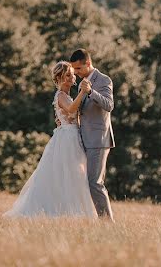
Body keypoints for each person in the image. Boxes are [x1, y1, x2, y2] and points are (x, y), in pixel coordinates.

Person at [3, 61, 97, 218]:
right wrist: (83, 92)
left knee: (76, 173)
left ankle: (74, 211)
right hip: (67, 139)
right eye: (68, 75)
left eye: (73, 74)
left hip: (73, 136)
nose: (72, 77)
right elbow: (71, 109)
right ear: (60, 77)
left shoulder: (67, 95)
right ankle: (65, 212)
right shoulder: (61, 95)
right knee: (68, 174)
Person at [69, 48, 115, 221]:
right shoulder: (83, 82)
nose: (77, 73)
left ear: (88, 63)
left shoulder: (103, 80)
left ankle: (107, 223)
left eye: (79, 69)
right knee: (85, 182)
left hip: (98, 139)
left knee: (95, 183)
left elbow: (109, 105)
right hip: (83, 139)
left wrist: (90, 92)